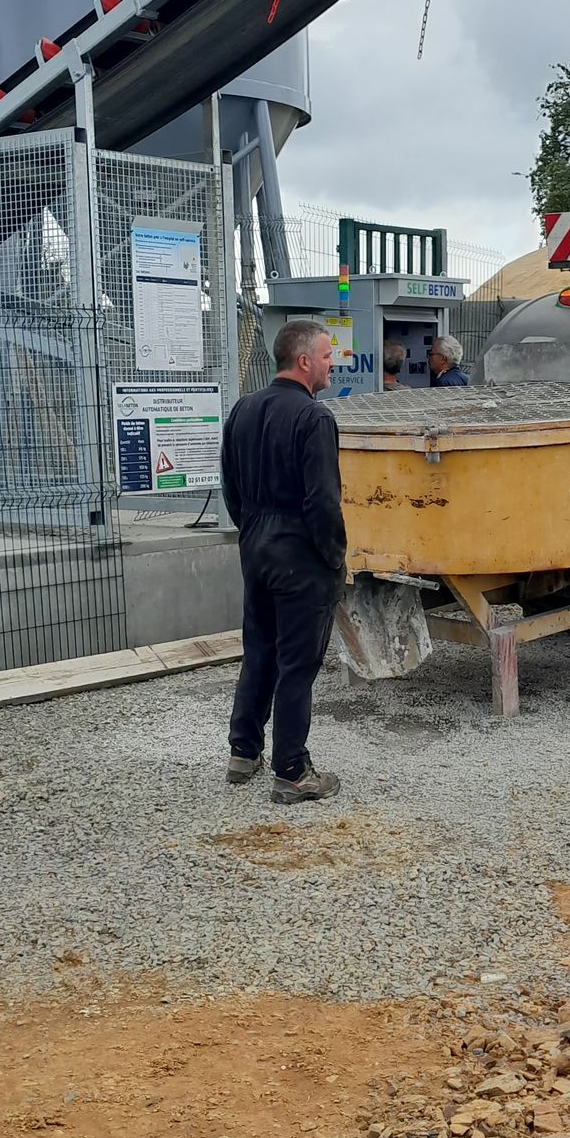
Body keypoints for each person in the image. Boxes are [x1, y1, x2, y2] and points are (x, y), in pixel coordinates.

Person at [220, 320, 345, 802]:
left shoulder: (243, 410)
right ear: (305, 361)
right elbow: (322, 502)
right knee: (298, 663)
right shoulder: (314, 419)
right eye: (328, 355)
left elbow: (230, 485)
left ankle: (243, 751)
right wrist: (333, 556)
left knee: (261, 651)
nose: (333, 363)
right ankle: (292, 770)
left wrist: (254, 530)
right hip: (301, 556)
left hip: (256, 548)